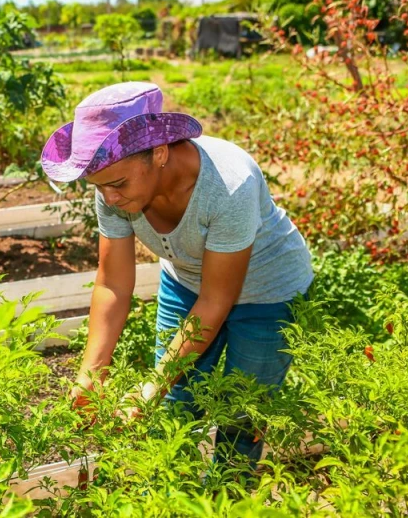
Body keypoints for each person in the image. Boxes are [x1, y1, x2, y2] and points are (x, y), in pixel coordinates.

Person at [40, 82, 314, 465]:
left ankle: (229, 500)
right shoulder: (112, 185)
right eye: (99, 187)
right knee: (171, 410)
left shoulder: (229, 186)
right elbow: (113, 283)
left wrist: (151, 384)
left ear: (160, 153)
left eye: (117, 185)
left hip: (268, 294)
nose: (110, 198)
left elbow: (217, 300)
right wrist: (91, 373)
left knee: (240, 415)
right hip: (187, 283)